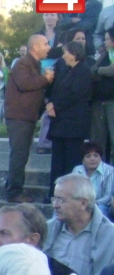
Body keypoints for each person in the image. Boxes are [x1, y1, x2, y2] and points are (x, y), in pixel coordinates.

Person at [44, 173, 114, 275]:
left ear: (83, 204)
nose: (55, 205)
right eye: (54, 199)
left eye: (61, 200)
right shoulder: (48, 229)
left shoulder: (109, 235)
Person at [5, 35, 54, 203]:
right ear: (35, 47)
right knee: (19, 155)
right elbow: (25, 84)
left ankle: (13, 186)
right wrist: (45, 79)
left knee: (22, 155)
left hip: (26, 117)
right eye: (46, 44)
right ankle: (14, 192)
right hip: (19, 117)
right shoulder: (23, 63)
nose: (49, 47)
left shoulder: (33, 64)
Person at [45, 42, 92, 202]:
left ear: (74, 53)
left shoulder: (84, 71)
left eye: (66, 52)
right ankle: (54, 194)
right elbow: (56, 91)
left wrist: (55, 106)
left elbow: (74, 94)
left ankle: (69, 197)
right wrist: (50, 103)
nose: (63, 55)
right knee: (57, 163)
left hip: (74, 125)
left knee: (71, 163)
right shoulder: (65, 70)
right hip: (60, 124)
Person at [72, 140, 114, 219]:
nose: (92, 159)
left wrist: (92, 204)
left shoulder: (110, 171)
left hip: (101, 204)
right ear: (83, 160)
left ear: (100, 158)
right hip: (80, 203)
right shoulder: (77, 170)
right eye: (88, 156)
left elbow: (108, 196)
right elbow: (72, 191)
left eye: (96, 155)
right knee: (63, 209)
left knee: (99, 210)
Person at [91, 27, 114, 163]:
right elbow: (92, 71)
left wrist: (99, 70)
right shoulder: (104, 55)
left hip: (111, 102)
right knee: (98, 140)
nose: (104, 42)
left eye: (107, 39)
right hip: (99, 102)